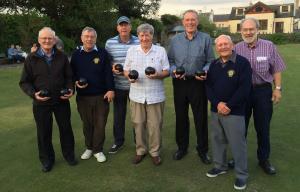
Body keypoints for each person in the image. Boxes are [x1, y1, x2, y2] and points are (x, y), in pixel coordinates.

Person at [19, 27, 77, 172]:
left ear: (54, 39)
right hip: (41, 102)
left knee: (66, 130)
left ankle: (69, 155)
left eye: (50, 38)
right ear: (39, 40)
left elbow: (69, 77)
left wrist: (70, 90)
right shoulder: (31, 59)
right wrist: (33, 94)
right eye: (44, 38)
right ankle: (47, 160)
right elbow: (24, 82)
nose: (47, 41)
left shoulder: (62, 56)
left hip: (61, 100)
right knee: (44, 132)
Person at [234, 18, 286, 175]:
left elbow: (276, 69)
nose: (248, 32)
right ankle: (238, 158)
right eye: (245, 29)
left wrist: (277, 89)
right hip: (243, 93)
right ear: (241, 31)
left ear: (258, 30)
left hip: (263, 92)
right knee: (239, 127)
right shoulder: (236, 48)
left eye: (251, 29)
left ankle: (263, 159)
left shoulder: (268, 46)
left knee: (262, 128)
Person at [168, 9, 215, 164]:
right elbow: (170, 61)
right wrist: (174, 71)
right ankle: (182, 147)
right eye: (187, 20)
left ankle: (202, 150)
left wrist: (205, 71)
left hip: (198, 82)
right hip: (180, 82)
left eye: (193, 20)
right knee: (181, 116)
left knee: (200, 117)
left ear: (197, 22)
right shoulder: (175, 41)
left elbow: (210, 61)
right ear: (183, 22)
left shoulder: (206, 38)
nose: (190, 22)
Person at [205, 35, 252, 190]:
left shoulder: (242, 63)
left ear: (232, 45)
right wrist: (218, 104)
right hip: (216, 110)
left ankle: (241, 175)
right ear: (216, 48)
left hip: (235, 111)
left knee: (238, 144)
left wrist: (229, 105)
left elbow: (244, 88)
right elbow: (208, 87)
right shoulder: (213, 64)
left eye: (226, 44)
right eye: (220, 45)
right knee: (218, 140)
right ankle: (220, 166)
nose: (223, 47)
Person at [124, 23, 169, 166]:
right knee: (138, 124)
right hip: (136, 95)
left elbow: (167, 71)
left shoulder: (160, 51)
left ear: (152, 36)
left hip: (155, 95)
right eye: (142, 35)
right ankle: (140, 151)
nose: (144, 38)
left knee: (155, 125)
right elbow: (126, 70)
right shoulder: (131, 51)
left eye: (147, 35)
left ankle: (155, 152)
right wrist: (129, 77)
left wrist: (157, 75)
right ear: (138, 36)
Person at [71, 27, 115, 163]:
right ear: (82, 38)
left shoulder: (102, 53)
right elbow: (71, 74)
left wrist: (111, 89)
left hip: (101, 95)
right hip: (83, 96)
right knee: (87, 124)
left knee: (100, 124)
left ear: (95, 38)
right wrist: (76, 83)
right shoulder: (76, 54)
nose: (89, 39)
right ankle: (89, 147)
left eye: (92, 37)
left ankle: (98, 150)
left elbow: (108, 73)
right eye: (86, 36)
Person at [105, 16, 139, 154]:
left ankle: (139, 142)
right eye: (121, 25)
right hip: (118, 85)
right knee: (119, 116)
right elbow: (106, 62)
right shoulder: (110, 43)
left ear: (130, 27)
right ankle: (118, 142)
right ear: (117, 27)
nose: (124, 27)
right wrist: (112, 67)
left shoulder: (138, 40)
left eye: (126, 25)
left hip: (136, 86)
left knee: (137, 117)